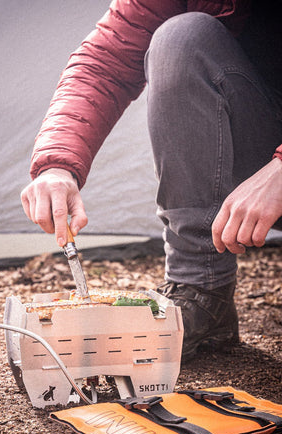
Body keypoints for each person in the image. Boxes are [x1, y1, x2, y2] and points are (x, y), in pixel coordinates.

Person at [21, 0, 282, 361]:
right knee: (182, 38)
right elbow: (105, 63)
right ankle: (202, 290)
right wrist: (57, 165)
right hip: (262, 134)